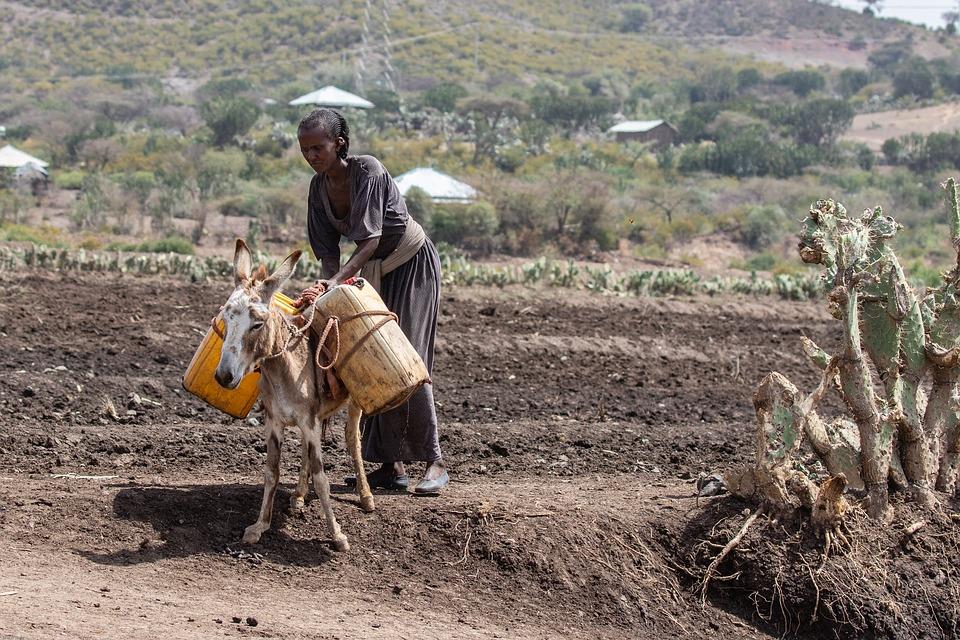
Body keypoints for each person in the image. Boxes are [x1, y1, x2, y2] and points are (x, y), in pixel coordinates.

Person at [294, 108, 449, 495]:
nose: (311, 156)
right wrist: (327, 285)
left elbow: (370, 240)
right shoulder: (318, 189)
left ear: (339, 144)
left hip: (410, 263)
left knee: (405, 355)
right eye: (305, 149)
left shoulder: (369, 171)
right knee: (364, 354)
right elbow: (328, 250)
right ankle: (390, 466)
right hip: (369, 271)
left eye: (319, 148)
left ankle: (434, 462)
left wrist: (336, 281)